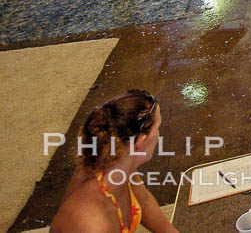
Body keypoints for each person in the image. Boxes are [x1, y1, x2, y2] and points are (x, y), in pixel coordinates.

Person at [50, 89, 178, 233]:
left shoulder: (120, 162)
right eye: (157, 128)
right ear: (141, 142)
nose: (159, 135)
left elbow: (145, 202)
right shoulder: (90, 223)